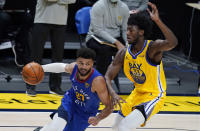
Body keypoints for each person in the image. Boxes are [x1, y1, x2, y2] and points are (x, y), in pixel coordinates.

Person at [105, 2, 178, 131]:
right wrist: (112, 92)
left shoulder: (152, 48)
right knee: (115, 127)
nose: (127, 33)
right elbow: (108, 76)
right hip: (137, 93)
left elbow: (172, 43)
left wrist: (157, 21)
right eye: (126, 29)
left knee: (125, 127)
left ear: (141, 32)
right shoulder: (123, 53)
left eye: (131, 30)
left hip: (154, 95)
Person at [33, 48, 112, 131]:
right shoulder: (73, 68)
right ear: (77, 61)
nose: (84, 67)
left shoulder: (97, 81)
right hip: (70, 103)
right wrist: (41, 68)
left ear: (92, 64)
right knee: (56, 127)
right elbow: (61, 67)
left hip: (85, 113)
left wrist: (98, 118)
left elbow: (109, 106)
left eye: (87, 64)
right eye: (81, 63)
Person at [26, 0, 77, 96]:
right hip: (42, 19)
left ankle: (55, 86)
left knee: (58, 56)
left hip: (61, 21)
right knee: (36, 55)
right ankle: (31, 85)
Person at [86, 0, 129, 92]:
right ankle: (101, 86)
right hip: (95, 37)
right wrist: (117, 43)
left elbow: (125, 30)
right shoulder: (98, 6)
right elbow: (98, 30)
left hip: (116, 37)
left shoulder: (124, 7)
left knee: (135, 50)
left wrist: (127, 44)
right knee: (105, 50)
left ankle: (139, 87)